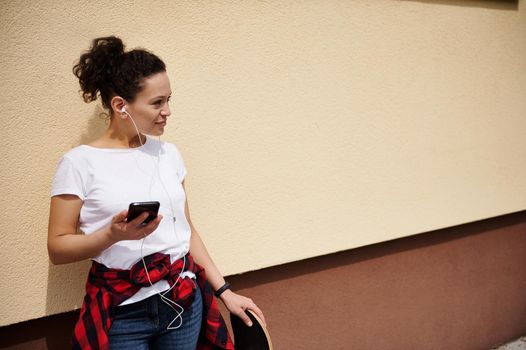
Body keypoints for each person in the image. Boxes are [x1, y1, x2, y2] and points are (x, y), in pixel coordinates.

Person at [48, 36, 265, 350]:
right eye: (157, 102)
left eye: (168, 99)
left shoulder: (169, 155)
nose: (168, 111)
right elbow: (57, 248)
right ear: (120, 105)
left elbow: (186, 232)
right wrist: (111, 235)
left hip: (184, 302)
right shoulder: (79, 163)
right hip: (123, 314)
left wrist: (225, 291)